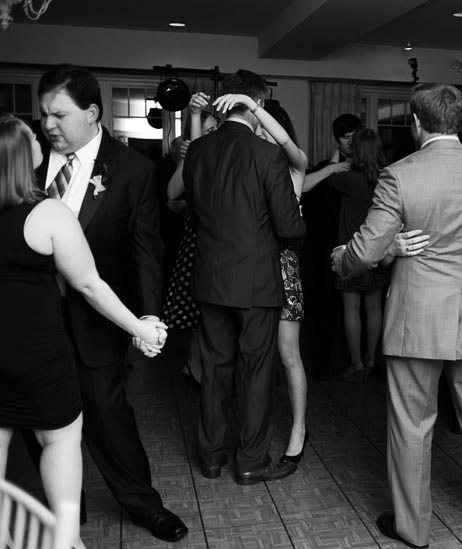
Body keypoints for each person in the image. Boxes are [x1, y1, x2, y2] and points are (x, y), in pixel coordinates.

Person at [331, 83, 462, 547]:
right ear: (457, 122)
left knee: (413, 424)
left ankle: (413, 529)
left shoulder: (400, 175)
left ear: (417, 123)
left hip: (418, 318)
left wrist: (341, 257)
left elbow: (366, 250)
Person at [31, 64, 187, 542]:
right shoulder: (28, 166)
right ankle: (60, 512)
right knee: (37, 421)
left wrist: (148, 317)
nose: (48, 125)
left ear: (93, 113)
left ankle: (142, 502)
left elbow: (145, 249)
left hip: (97, 322)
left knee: (107, 412)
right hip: (31, 324)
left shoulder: (132, 171)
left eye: (59, 114)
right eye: (43, 116)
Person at [0, 114, 166, 549]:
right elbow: (90, 284)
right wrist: (140, 328)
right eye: (33, 137)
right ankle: (67, 538)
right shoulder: (47, 212)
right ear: (21, 158)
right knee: (60, 440)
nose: (42, 138)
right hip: (38, 352)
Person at [183, 69, 306, 486]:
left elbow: (193, 215)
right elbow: (291, 229)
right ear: (256, 105)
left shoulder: (198, 152)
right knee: (256, 368)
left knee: (215, 368)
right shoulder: (266, 154)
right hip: (256, 281)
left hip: (211, 276)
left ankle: (212, 456)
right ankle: (250, 460)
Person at [212, 92, 310, 466]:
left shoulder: (292, 166)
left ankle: (299, 428)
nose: (262, 134)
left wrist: (256, 109)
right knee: (248, 357)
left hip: (283, 268)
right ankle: (249, 436)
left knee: (287, 354)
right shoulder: (249, 160)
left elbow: (289, 146)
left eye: (269, 128)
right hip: (249, 270)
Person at [308, 128, 389, 381]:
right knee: (374, 308)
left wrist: (342, 156)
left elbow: (326, 174)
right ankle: (372, 359)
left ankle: (355, 363)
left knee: (351, 308)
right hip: (378, 249)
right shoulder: (386, 179)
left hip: (351, 251)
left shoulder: (348, 179)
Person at [163, 92, 219, 383]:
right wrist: (188, 156)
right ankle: (196, 368)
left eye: (215, 131)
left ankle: (198, 367)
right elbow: (172, 192)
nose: (213, 136)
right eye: (208, 131)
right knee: (198, 316)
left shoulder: (222, 158)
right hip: (196, 246)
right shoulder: (194, 159)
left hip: (219, 245)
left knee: (211, 319)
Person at [301, 113, 362, 379]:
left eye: (354, 137)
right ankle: (322, 366)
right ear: (337, 140)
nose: (350, 142)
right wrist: (331, 168)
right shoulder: (324, 168)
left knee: (356, 308)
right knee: (324, 310)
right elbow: (301, 188)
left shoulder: (367, 171)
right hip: (322, 248)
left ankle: (358, 362)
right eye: (345, 137)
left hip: (357, 248)